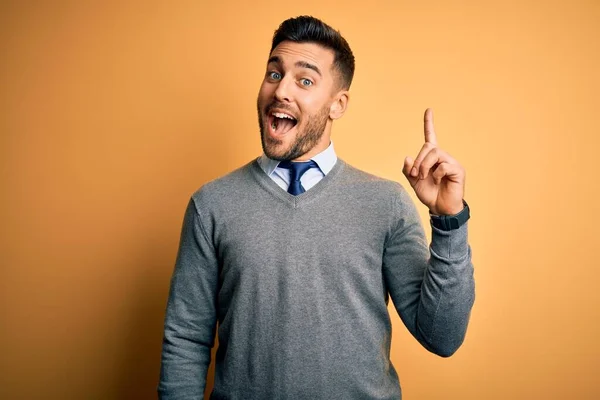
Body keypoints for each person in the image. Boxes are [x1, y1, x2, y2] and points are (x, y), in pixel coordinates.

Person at [158, 15, 475, 400]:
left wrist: (449, 221)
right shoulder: (211, 204)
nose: (281, 91)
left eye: (304, 81)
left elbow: (441, 336)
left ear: (337, 104)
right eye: (274, 74)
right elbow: (186, 339)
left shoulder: (385, 204)